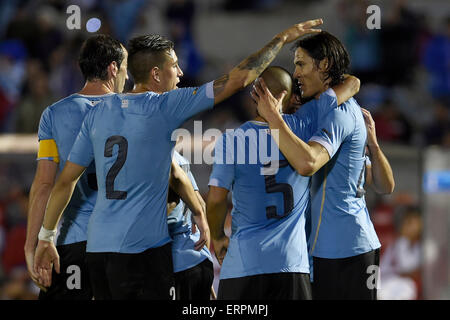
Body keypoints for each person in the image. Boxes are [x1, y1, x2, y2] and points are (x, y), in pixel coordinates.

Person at [34, 19, 325, 299]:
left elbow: (65, 182)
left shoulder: (98, 112)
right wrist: (280, 40)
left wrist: (46, 236)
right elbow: (238, 79)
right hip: (144, 253)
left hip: (98, 253)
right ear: (157, 75)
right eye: (174, 66)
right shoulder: (165, 106)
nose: (181, 73)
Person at [253, 31, 395, 300]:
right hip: (320, 249)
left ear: (325, 65)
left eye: (301, 64)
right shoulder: (318, 108)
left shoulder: (340, 114)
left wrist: (373, 146)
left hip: (348, 249)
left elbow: (309, 163)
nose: (296, 74)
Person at [207, 66, 360, 300]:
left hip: (243, 264)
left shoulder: (232, 139)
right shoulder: (306, 125)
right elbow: (352, 83)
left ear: (254, 95)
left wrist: (217, 237)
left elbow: (216, 199)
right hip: (291, 265)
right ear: (290, 98)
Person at [24, 34, 128, 300]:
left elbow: (45, 184)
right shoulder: (134, 113)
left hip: (73, 243)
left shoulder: (54, 114)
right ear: (113, 68)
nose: (126, 79)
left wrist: (32, 243)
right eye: (125, 70)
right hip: (125, 244)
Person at [169, 150, 214, 300]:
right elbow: (200, 204)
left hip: (175, 265)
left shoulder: (156, 159)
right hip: (200, 259)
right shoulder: (180, 158)